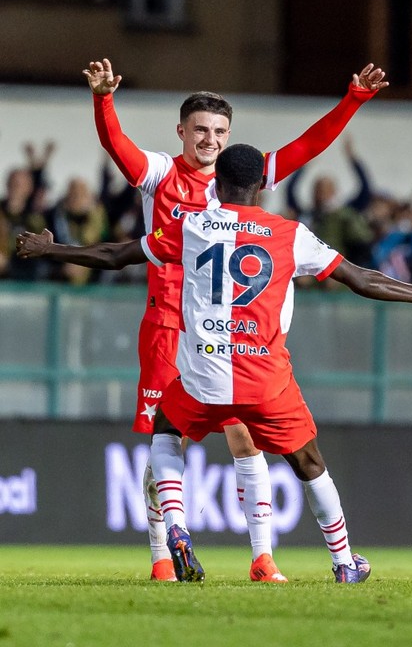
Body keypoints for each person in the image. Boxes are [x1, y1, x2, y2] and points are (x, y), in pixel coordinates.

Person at [16, 143, 412, 583]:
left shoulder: (191, 226)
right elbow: (362, 279)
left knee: (166, 430)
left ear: (215, 181)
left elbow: (115, 255)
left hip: (203, 377)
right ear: (260, 187)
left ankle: (175, 525)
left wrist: (51, 249)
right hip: (265, 381)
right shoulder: (290, 235)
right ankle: (343, 561)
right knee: (309, 463)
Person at [83, 57, 388, 582]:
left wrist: (352, 100)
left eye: (219, 131)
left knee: (236, 438)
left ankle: (262, 557)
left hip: (226, 332)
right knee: (165, 440)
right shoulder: (160, 172)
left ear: (230, 139)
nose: (210, 139)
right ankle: (162, 560)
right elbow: (117, 146)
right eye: (200, 129)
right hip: (168, 325)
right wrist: (104, 100)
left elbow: (308, 147)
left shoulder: (240, 175)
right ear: (181, 132)